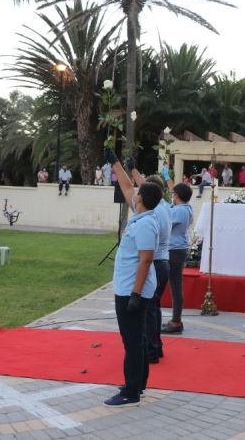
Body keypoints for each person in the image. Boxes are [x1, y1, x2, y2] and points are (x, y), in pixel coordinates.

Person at [103, 147, 162, 407]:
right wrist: (114, 163)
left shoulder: (147, 223)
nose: (133, 193)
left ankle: (131, 391)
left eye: (138, 192)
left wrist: (136, 294)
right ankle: (138, 384)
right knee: (136, 339)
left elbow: (146, 260)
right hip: (127, 288)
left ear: (142, 199)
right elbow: (127, 187)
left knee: (133, 342)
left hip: (131, 291)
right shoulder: (142, 214)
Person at [128, 172, 171, 364]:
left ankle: (152, 349)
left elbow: (146, 255)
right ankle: (156, 345)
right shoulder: (164, 206)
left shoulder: (152, 215)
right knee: (155, 307)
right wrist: (132, 171)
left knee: (150, 310)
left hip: (157, 262)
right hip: (163, 261)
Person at [161, 181, 193, 335]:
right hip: (177, 249)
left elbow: (165, 225)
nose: (172, 196)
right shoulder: (184, 208)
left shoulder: (180, 211)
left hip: (175, 250)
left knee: (175, 286)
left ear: (177, 196)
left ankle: (176, 321)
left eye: (173, 194)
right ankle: (175, 319)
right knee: (175, 286)